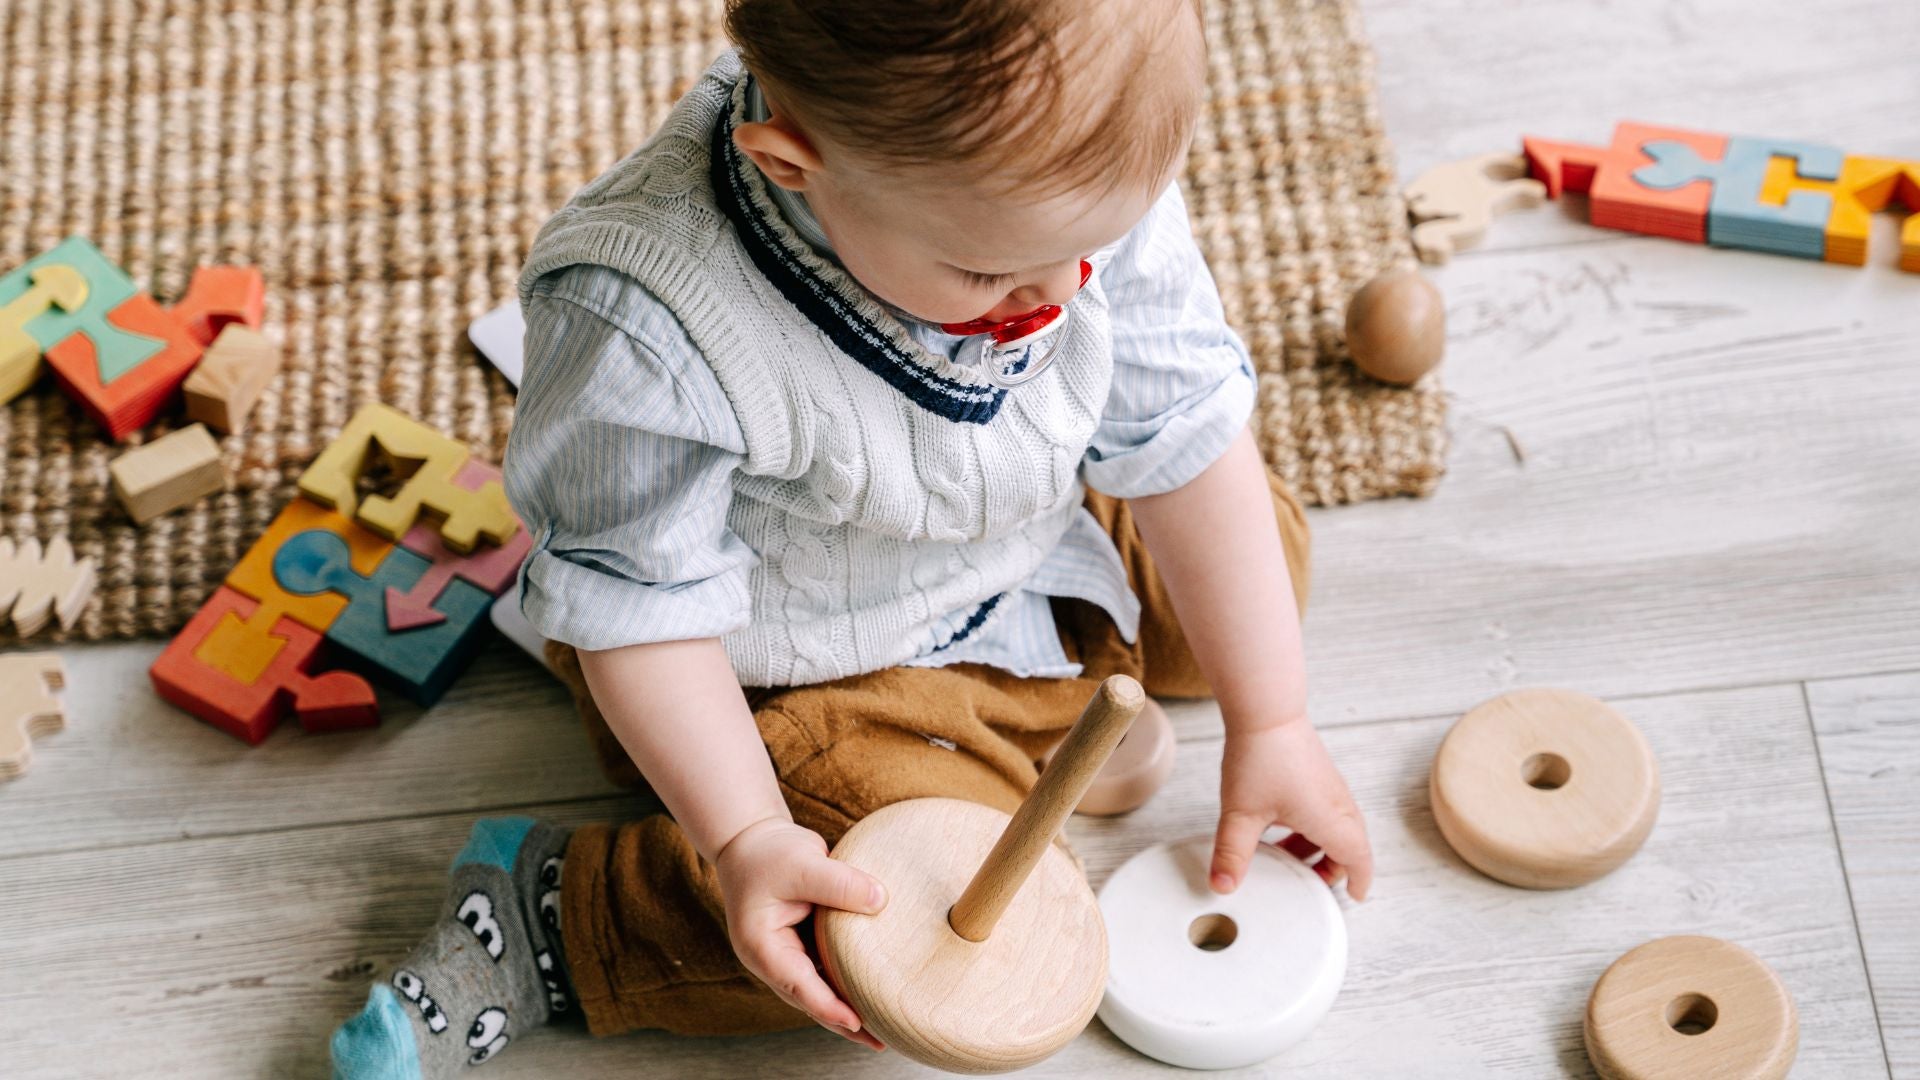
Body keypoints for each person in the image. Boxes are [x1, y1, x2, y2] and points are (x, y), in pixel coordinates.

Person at [331, 1, 1372, 1074]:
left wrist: (1275, 720)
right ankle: (553, 919)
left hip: (1021, 536)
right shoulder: (646, 321)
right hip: (791, 667)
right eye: (992, 274)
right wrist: (743, 840)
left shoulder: (1055, 187)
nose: (1062, 293)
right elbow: (640, 616)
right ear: (792, 164)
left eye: (1093, 245)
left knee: (1260, 566)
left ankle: (1048, 693)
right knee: (879, 918)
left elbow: (1181, 428)